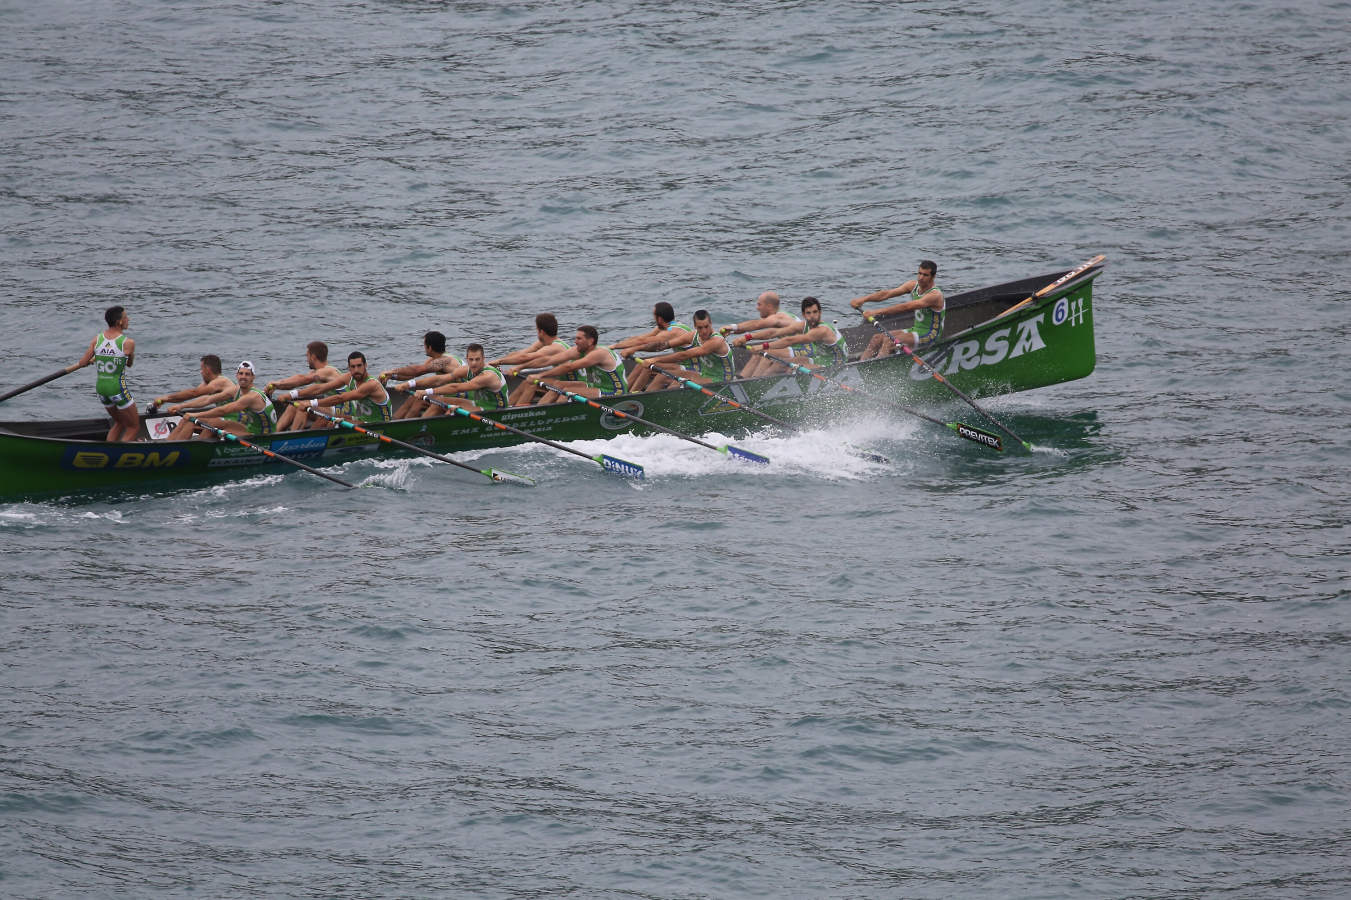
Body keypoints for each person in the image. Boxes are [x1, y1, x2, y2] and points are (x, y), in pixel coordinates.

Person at [849, 259, 944, 360]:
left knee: (890, 341)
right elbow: (886, 294)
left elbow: (906, 307)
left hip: (930, 334)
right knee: (876, 339)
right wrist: (862, 300)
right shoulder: (913, 285)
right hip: (916, 329)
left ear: (933, 277)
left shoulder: (935, 295)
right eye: (919, 273)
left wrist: (876, 312)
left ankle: (878, 367)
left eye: (925, 275)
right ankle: (860, 365)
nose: (921, 278)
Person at [74, 305, 139, 441]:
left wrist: (97, 357)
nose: (128, 319)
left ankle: (109, 450)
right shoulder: (128, 343)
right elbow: (129, 364)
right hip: (117, 388)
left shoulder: (97, 339)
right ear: (119, 322)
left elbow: (82, 363)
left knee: (119, 422)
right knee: (133, 427)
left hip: (101, 389)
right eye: (126, 317)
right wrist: (130, 354)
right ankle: (120, 453)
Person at [167, 361, 277, 440]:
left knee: (211, 423)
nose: (243, 377)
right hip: (249, 427)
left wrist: (194, 415)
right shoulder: (236, 390)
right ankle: (169, 446)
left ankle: (191, 451)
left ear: (253, 377)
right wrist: (181, 406)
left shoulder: (252, 396)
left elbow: (223, 410)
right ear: (236, 375)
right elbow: (208, 399)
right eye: (241, 373)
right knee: (189, 421)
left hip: (263, 435)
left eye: (247, 374)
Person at [631, 309, 735, 392]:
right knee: (661, 377)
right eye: (700, 328)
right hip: (704, 374)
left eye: (706, 327)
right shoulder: (693, 335)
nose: (704, 331)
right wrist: (635, 348)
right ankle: (641, 400)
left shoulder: (716, 341)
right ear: (695, 326)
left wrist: (654, 360)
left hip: (721, 380)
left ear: (711, 324)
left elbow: (684, 355)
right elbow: (664, 345)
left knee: (676, 385)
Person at [491, 314, 576, 407]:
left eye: (536, 329)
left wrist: (502, 362)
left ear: (541, 332)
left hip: (575, 385)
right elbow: (521, 353)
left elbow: (526, 357)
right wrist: (497, 361)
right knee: (526, 382)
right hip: (563, 382)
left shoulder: (555, 347)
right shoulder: (544, 343)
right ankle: (506, 408)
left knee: (532, 383)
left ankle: (518, 412)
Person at [530, 325, 628, 404]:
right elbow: (550, 360)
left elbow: (569, 367)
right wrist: (522, 367)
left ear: (590, 341)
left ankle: (556, 415)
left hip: (615, 392)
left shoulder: (599, 353)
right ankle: (538, 410)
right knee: (558, 384)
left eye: (579, 339)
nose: (575, 342)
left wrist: (540, 375)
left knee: (568, 392)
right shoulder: (580, 351)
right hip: (596, 386)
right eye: (575, 338)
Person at [377, 331, 465, 419]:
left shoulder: (446, 361)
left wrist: (392, 371)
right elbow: (413, 374)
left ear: (429, 347)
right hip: (449, 393)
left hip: (463, 397)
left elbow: (416, 370)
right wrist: (392, 376)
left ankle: (406, 424)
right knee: (412, 398)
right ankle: (393, 422)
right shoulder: (435, 360)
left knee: (419, 402)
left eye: (424, 345)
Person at [721, 291, 804, 377]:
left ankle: (754, 381)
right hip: (792, 347)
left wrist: (742, 335)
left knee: (765, 353)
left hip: (805, 349)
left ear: (769, 306)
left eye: (759, 304)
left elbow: (758, 326)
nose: (757, 308)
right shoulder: (779, 317)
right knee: (759, 352)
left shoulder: (779, 317)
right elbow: (753, 326)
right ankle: (743, 379)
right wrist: (732, 330)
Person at [265, 342, 343, 432]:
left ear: (313, 357)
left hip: (342, 409)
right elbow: (296, 382)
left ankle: (293, 437)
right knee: (292, 406)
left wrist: (278, 385)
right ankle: (275, 434)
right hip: (331, 406)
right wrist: (276, 386)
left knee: (302, 408)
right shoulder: (318, 373)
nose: (307, 360)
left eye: (307, 356)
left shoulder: (328, 371)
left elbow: (303, 379)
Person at [408, 344, 510, 413]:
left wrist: (426, 391)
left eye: (477, 359)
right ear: (467, 359)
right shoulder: (466, 369)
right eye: (471, 359)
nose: (474, 363)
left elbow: (456, 387)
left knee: (444, 408)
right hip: (480, 402)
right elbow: (441, 379)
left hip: (495, 409)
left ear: (483, 359)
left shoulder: (488, 376)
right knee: (440, 401)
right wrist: (410, 384)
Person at [299, 351, 393, 425]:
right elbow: (323, 388)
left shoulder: (371, 384)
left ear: (365, 365)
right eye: (353, 367)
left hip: (379, 424)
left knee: (329, 422)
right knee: (325, 418)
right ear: (349, 367)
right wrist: (294, 394)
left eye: (359, 366)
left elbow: (340, 398)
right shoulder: (348, 377)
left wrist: (311, 403)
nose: (356, 370)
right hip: (362, 419)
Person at [757, 297, 850, 370]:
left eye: (815, 312)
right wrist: (749, 337)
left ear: (820, 313)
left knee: (791, 368)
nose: (812, 316)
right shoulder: (804, 325)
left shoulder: (822, 330)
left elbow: (790, 340)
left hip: (836, 364)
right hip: (822, 358)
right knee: (781, 364)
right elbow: (775, 333)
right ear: (804, 315)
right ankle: (758, 382)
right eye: (808, 313)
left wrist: (763, 346)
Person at [150, 355, 235, 415]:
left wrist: (167, 398)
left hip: (236, 417)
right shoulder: (209, 383)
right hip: (225, 415)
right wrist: (166, 401)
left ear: (207, 370)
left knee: (190, 422)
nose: (201, 372)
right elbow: (192, 397)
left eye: (201, 369)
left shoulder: (221, 381)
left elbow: (194, 393)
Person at [609, 302, 695, 360]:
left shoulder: (672, 332)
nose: (653, 318)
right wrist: (615, 346)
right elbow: (640, 338)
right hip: (682, 361)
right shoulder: (665, 327)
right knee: (642, 367)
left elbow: (648, 343)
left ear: (659, 319)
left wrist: (630, 349)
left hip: (693, 366)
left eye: (654, 316)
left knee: (647, 368)